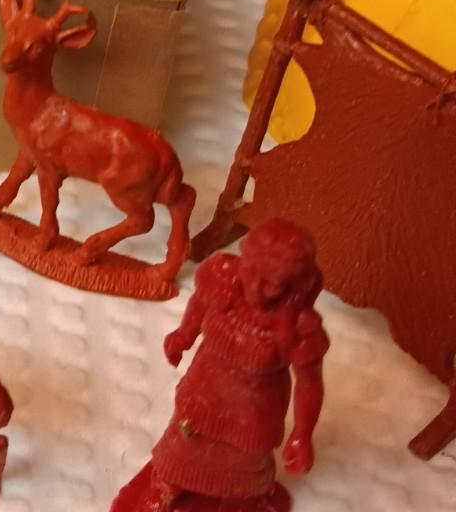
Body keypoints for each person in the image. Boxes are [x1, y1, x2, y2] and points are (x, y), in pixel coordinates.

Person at [115, 219, 328, 511]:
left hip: (254, 412)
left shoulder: (299, 327)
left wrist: (302, 435)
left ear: (292, 286)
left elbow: (309, 384)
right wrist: (184, 334)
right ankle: (165, 487)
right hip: (204, 391)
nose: (255, 288)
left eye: (272, 285)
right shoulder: (223, 278)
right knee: (183, 445)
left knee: (243, 465)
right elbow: (200, 303)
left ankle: (238, 500)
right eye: (250, 271)